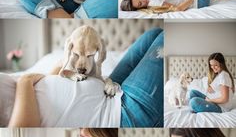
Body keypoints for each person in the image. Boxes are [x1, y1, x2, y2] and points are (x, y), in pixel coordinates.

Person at [7, 27, 164, 128]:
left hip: (111, 93)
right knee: (166, 35)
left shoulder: (90, 58)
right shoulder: (24, 82)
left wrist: (61, 66)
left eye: (89, 55)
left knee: (153, 33)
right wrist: (25, 80)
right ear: (69, 49)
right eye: (76, 54)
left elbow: (51, 79)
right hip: (123, 112)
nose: (81, 65)